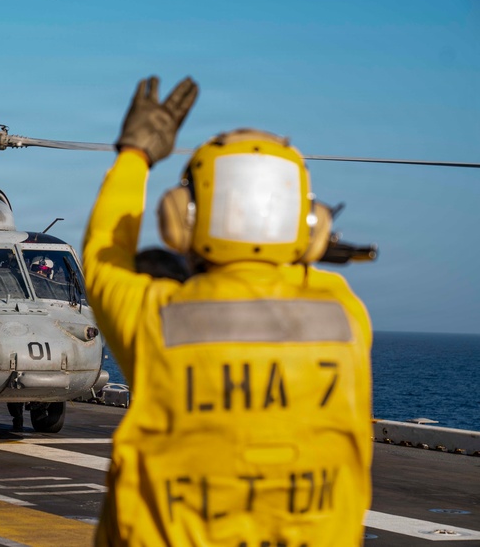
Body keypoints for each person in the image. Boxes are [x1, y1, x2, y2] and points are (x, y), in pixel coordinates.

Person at [82, 76, 373, 546]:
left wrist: (135, 155)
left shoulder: (154, 317)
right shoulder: (344, 314)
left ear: (182, 218)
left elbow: (103, 254)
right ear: (311, 225)